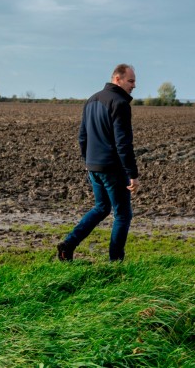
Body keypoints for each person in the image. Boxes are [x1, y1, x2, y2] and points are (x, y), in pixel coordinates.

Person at [57, 63, 140, 262]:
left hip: (93, 166)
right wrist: (132, 174)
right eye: (131, 81)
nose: (134, 85)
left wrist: (88, 161)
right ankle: (116, 262)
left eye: (135, 81)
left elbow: (82, 137)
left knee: (102, 207)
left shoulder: (92, 100)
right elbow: (123, 143)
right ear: (117, 79)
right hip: (112, 168)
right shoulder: (119, 103)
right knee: (123, 214)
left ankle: (68, 245)